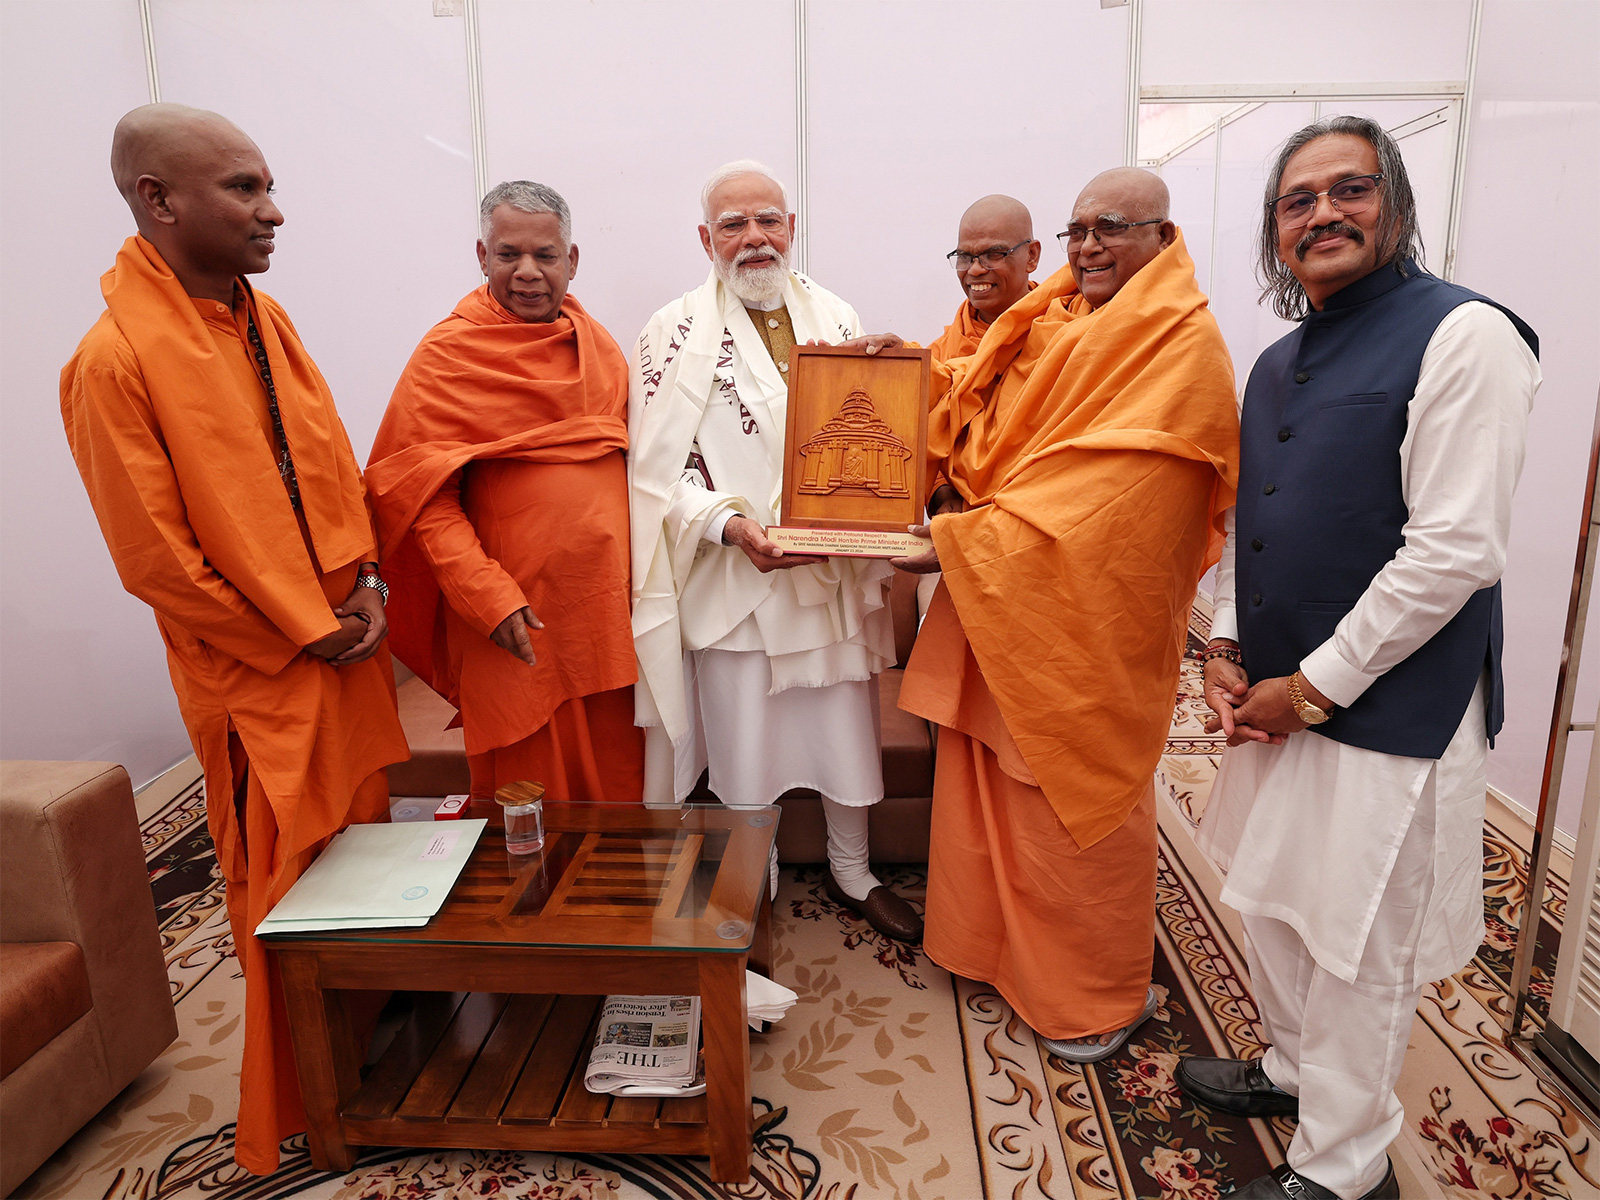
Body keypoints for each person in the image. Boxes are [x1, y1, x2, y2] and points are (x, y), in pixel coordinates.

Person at [1176, 116, 1538, 1200]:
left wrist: (1317, 687)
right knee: (1274, 903)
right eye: (1298, 200)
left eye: (1350, 189)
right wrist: (1228, 645)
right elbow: (1261, 522)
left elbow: (1453, 551)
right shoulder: (1280, 359)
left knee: (1354, 947)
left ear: (1396, 204)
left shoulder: (1467, 336)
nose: (1323, 213)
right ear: (1276, 231)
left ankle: (1342, 1171)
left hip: (1387, 711)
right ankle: (1292, 1073)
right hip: (1278, 694)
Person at [59, 104, 409, 1174]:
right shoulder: (112, 361)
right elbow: (159, 564)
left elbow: (328, 467)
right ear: (158, 200)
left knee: (367, 868)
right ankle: (304, 1096)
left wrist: (370, 588)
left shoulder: (265, 320)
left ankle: (379, 1045)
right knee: (289, 886)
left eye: (266, 186)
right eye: (245, 190)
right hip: (262, 672)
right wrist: (309, 630)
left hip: (343, 647)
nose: (275, 211)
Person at [894, 168, 1238, 1061]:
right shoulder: (1065, 321)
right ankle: (988, 947)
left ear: (1163, 238)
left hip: (1086, 611)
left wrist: (969, 542)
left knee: (1068, 797)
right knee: (984, 779)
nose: (1089, 245)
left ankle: (1092, 995)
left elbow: (1127, 497)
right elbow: (984, 401)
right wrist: (894, 373)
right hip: (1009, 584)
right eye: (1080, 227)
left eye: (1111, 228)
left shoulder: (1181, 345)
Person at [628, 159, 921, 942]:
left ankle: (852, 871)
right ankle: (748, 882)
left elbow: (877, 428)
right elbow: (658, 470)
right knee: (744, 749)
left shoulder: (836, 312)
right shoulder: (670, 332)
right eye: (734, 224)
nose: (754, 238)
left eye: (768, 220)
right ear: (705, 238)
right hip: (736, 579)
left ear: (790, 228)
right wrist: (730, 526)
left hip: (828, 577)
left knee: (843, 737)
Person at [366, 181, 643, 804]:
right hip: (513, 614)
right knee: (529, 799)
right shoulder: (448, 354)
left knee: (623, 782)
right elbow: (421, 498)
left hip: (604, 611)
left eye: (545, 256)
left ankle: (619, 903)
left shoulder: (597, 348)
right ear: (481, 256)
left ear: (571, 261)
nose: (526, 272)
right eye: (507, 254)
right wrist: (487, 599)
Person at [929, 194, 1040, 361]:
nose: (975, 270)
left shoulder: (1060, 332)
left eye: (993, 254)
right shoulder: (938, 358)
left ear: (1031, 256)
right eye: (964, 256)